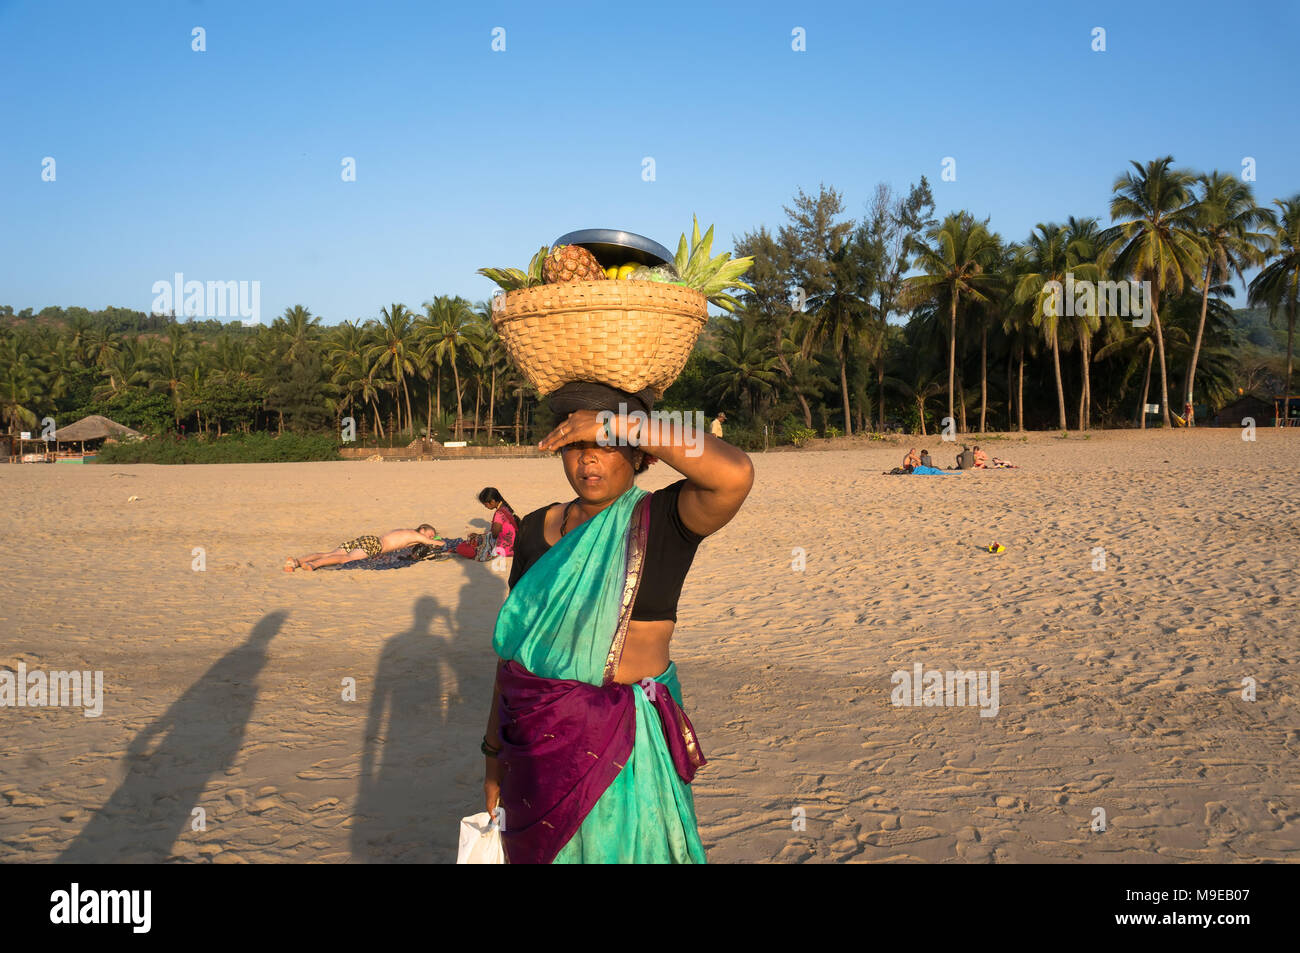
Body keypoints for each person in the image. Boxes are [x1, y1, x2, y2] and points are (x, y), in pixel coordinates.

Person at [483, 382, 753, 864]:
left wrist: (620, 423)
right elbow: (514, 654)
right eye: (575, 446)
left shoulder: (666, 518)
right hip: (535, 739)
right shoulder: (532, 528)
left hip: (626, 745)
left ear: (639, 453)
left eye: (606, 446)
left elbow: (734, 473)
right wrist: (492, 753)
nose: (588, 461)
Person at [284, 525, 439, 571]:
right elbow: (438, 544)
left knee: (329, 553)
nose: (430, 537)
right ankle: (313, 565)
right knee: (346, 559)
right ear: (422, 530)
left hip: (368, 539)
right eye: (430, 534)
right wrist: (439, 541)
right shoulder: (416, 535)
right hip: (375, 545)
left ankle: (296, 562)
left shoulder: (404, 532)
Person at [478, 486, 518, 557]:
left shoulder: (499, 514)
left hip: (505, 549)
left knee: (467, 548)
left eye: (485, 504)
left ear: (492, 501)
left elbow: (495, 534)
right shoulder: (505, 507)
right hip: (514, 544)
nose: (485, 506)